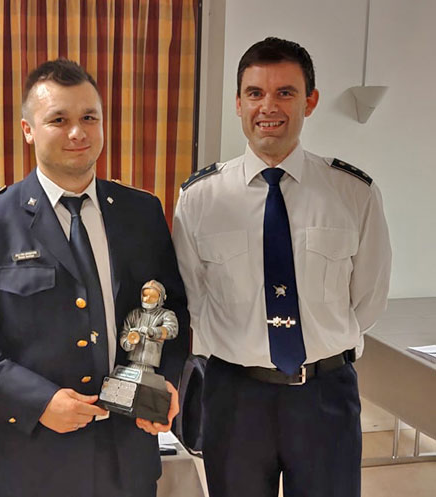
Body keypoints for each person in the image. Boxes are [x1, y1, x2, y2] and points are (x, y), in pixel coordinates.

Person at [0, 59, 190, 497]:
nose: (78, 132)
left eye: (89, 117)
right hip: (33, 460)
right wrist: (37, 401)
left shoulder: (140, 212)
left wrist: (164, 381)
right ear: (28, 129)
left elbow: (171, 308)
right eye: (59, 120)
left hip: (126, 455)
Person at [172, 37, 392, 497]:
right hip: (235, 396)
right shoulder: (199, 199)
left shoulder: (353, 193)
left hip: (325, 395)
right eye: (255, 93)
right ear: (238, 103)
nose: (268, 107)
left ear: (310, 101)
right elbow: (192, 298)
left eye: (285, 92)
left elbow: (368, 298)